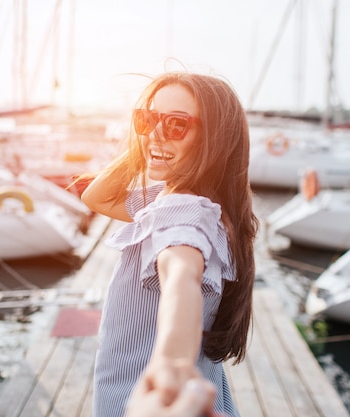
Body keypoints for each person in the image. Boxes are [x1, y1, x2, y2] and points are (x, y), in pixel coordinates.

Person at [81, 72, 258, 417]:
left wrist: (170, 368)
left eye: (177, 124)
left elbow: (181, 276)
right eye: (146, 119)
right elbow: (96, 196)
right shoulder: (205, 204)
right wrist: (149, 146)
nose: (157, 132)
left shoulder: (179, 209)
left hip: (151, 402)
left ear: (214, 139)